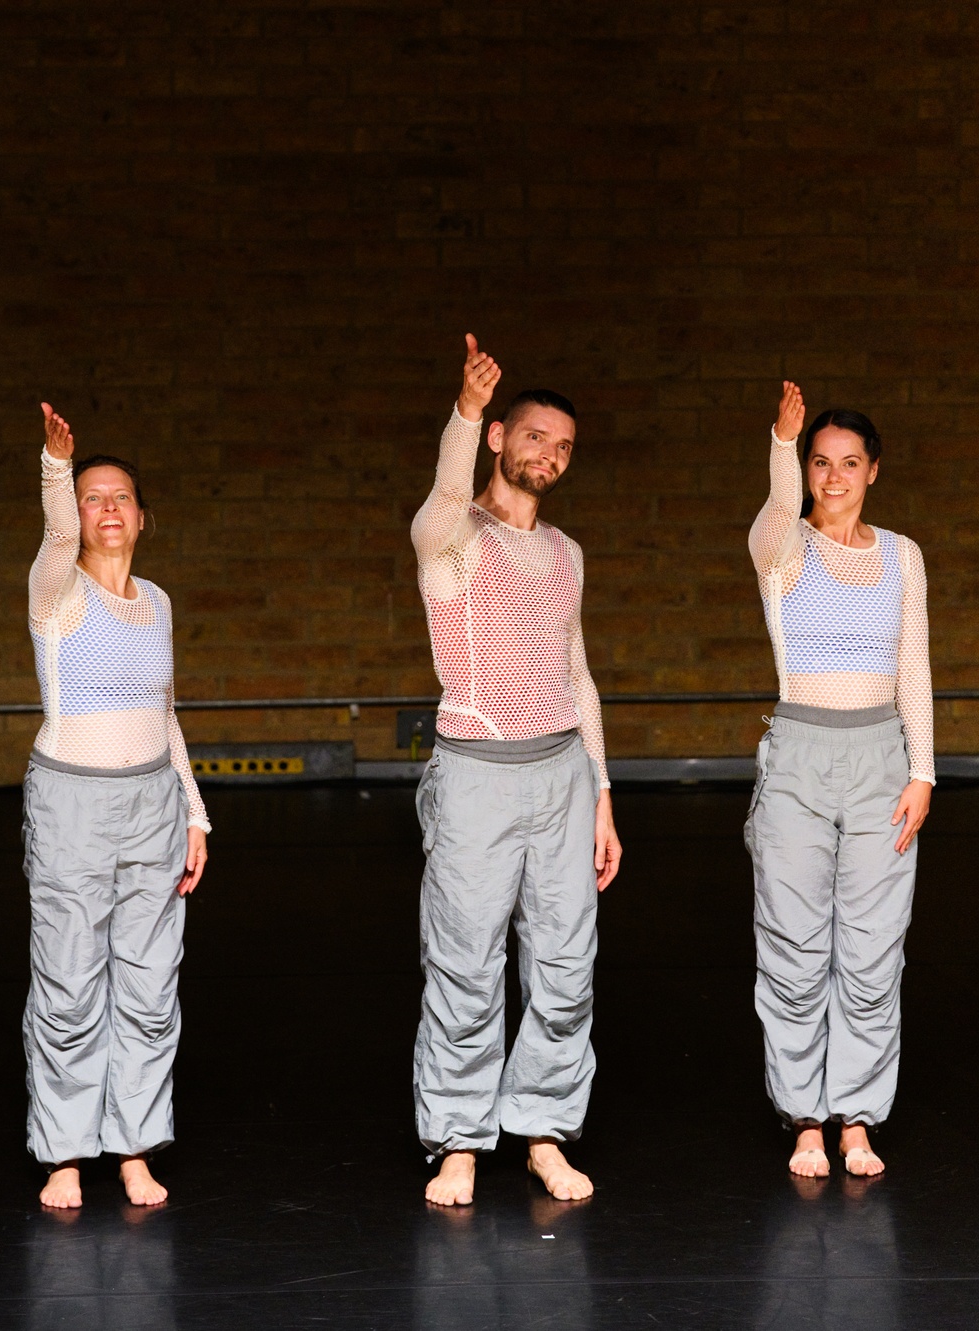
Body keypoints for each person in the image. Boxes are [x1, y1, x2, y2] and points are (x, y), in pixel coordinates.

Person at [409, 335, 623, 1207]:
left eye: (563, 446)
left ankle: (542, 1130)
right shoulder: (452, 538)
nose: (550, 455)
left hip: (562, 772)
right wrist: (465, 408)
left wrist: (602, 791)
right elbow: (442, 496)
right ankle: (460, 1139)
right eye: (535, 436)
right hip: (476, 774)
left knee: (566, 963)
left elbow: (578, 674)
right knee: (465, 961)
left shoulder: (567, 552)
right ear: (499, 437)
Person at [22, 403, 211, 1209]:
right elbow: (56, 535)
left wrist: (194, 812)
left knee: (148, 982)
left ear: (141, 516)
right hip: (72, 802)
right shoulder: (56, 592)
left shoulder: (158, 601)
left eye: (120, 496)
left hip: (153, 804)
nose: (106, 507)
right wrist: (55, 466)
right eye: (91, 496)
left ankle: (134, 1146)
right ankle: (65, 1152)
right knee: (69, 981)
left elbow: (165, 713)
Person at [745, 382, 935, 1180]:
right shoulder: (782, 546)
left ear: (873, 470)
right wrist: (781, 444)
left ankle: (857, 1116)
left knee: (872, 946)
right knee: (793, 942)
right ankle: (806, 1120)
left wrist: (923, 770)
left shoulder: (902, 554)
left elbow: (913, 665)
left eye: (848, 462)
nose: (833, 476)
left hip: (881, 756)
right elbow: (774, 511)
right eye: (820, 462)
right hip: (799, 754)